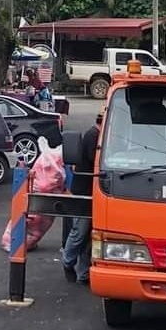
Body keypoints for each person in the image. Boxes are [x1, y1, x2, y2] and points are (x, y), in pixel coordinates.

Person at [62, 113, 102, 286]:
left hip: (95, 192)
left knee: (89, 236)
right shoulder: (93, 136)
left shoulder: (98, 136)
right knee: (80, 231)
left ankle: (84, 273)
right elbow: (97, 161)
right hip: (84, 191)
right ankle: (67, 260)